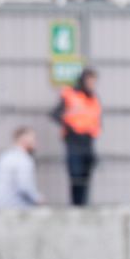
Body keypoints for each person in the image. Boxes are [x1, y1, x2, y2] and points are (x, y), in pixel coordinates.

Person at [51, 67, 101, 206]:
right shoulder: (70, 95)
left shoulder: (93, 98)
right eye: (90, 80)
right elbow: (55, 114)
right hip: (73, 140)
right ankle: (75, 205)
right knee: (75, 174)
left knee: (86, 174)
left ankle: (83, 205)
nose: (92, 84)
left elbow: (95, 119)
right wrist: (69, 126)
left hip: (88, 141)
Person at [0, 127, 42, 209]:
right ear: (24, 139)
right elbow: (25, 186)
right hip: (18, 208)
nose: (36, 142)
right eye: (33, 138)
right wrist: (38, 199)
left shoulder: (4, 156)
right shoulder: (23, 159)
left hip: (1, 207)